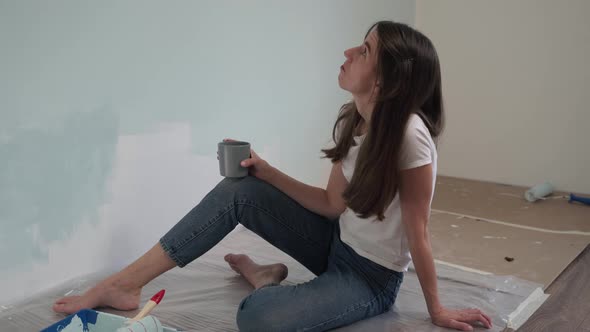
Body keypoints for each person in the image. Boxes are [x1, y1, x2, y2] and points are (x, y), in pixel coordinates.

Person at [53, 21, 492, 331]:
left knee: (257, 318)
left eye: (365, 51)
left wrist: (437, 309)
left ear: (386, 82)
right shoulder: (356, 119)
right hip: (336, 244)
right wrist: (265, 172)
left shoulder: (410, 137)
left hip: (370, 278)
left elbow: (419, 233)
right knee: (239, 187)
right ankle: (123, 284)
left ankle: (264, 280)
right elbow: (332, 205)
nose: (348, 52)